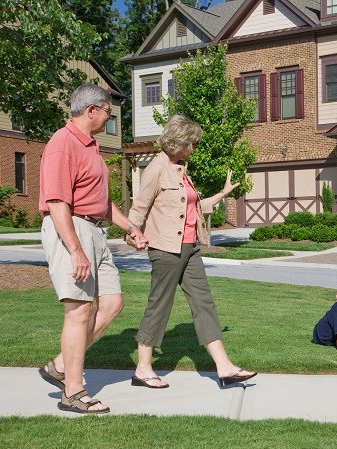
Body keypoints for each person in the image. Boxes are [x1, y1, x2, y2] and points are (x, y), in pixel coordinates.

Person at [38, 83, 148, 413]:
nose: (109, 119)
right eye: (108, 114)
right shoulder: (63, 143)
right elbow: (57, 201)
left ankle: (60, 364)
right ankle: (72, 391)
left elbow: (101, 200)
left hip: (95, 230)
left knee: (112, 303)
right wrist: (75, 250)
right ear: (92, 110)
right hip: (72, 228)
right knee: (79, 309)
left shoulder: (91, 147)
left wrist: (131, 227)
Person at [125, 114, 256, 389]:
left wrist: (223, 193)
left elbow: (192, 207)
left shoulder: (180, 169)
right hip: (165, 249)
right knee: (159, 304)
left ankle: (224, 366)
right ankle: (143, 368)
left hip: (190, 247)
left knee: (203, 302)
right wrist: (132, 232)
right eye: (192, 144)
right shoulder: (157, 168)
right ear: (180, 142)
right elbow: (139, 207)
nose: (194, 149)